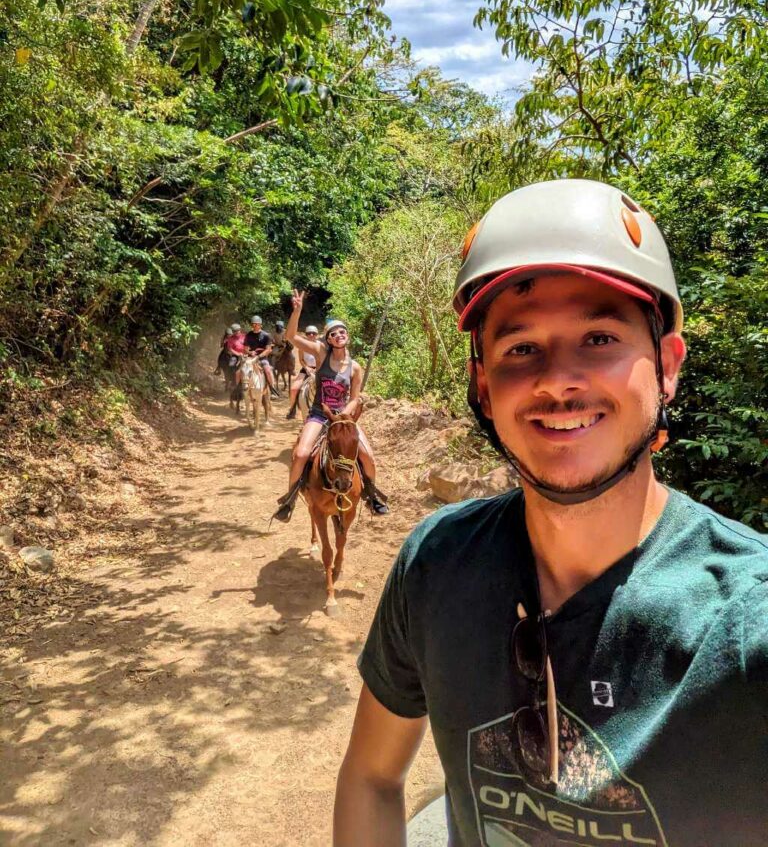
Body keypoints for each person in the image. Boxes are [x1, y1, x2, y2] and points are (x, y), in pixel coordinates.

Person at [334, 179, 768, 847]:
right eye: (520, 348)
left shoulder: (745, 619)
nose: (557, 378)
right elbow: (370, 773)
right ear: (483, 383)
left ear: (668, 365)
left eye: (599, 337)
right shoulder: (435, 566)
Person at [273, 290, 389, 521]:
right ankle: (290, 498)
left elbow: (355, 397)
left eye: (342, 331)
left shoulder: (355, 367)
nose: (338, 335)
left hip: (344, 420)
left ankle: (371, 494)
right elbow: (291, 336)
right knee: (301, 453)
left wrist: (345, 413)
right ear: (328, 339)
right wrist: (297, 310)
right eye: (333, 333)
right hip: (318, 415)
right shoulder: (320, 353)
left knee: (368, 457)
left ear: (348, 336)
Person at [285, 324, 319, 420]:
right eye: (309, 333)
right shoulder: (302, 346)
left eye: (313, 333)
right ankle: (292, 409)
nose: (311, 335)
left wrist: (317, 369)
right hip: (306, 369)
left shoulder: (320, 346)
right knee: (294, 388)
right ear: (306, 334)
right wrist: (307, 368)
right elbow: (301, 360)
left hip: (319, 370)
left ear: (316, 334)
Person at [244, 315, 278, 397]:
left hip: (262, 358)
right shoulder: (249, 334)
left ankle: (272, 389)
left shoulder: (266, 335)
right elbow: (245, 348)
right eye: (253, 324)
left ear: (260, 325)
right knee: (240, 370)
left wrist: (258, 357)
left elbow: (268, 350)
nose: (255, 326)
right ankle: (238, 388)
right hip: (251, 357)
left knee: (268, 370)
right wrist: (250, 352)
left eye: (257, 324)